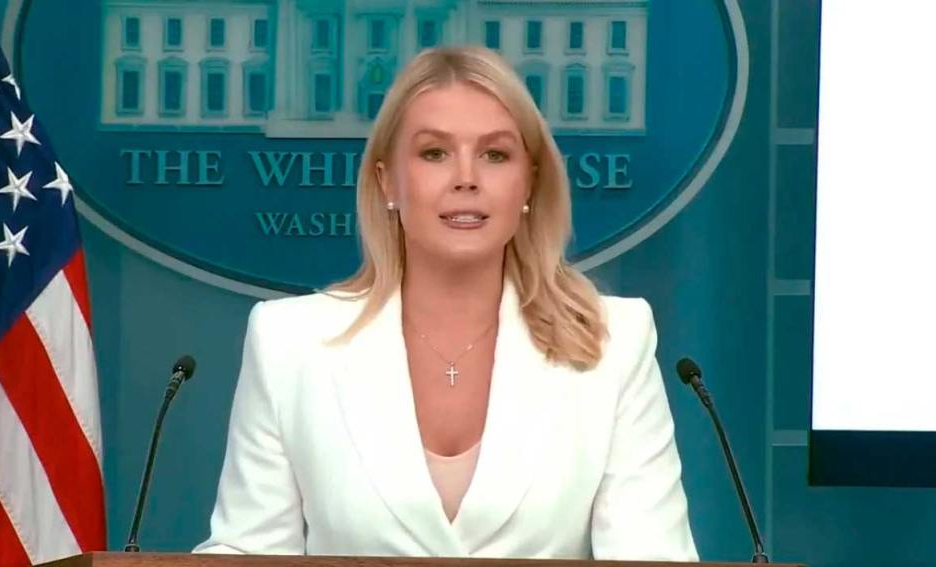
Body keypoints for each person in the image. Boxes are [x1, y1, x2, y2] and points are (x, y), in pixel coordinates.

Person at [194, 46, 697, 560]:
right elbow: (248, 553)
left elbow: (651, 557)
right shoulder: (290, 343)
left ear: (530, 181)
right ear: (387, 181)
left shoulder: (614, 342)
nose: (466, 178)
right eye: (435, 153)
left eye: (495, 155)